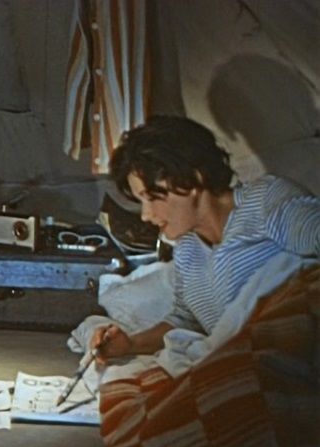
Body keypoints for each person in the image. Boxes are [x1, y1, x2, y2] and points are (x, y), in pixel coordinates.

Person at [89, 115, 320, 361]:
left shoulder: (265, 201)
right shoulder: (186, 250)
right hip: (243, 364)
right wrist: (131, 344)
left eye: (152, 197)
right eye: (141, 201)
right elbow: (187, 322)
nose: (146, 215)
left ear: (193, 180)